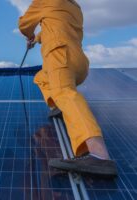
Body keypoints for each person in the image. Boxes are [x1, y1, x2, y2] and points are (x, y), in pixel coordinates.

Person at [18, 0, 117, 176]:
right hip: (78, 63)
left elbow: (25, 25)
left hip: (59, 56)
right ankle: (57, 107)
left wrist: (29, 35)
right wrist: (38, 38)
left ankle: (99, 155)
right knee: (42, 78)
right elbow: (57, 24)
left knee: (65, 92)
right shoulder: (74, 6)